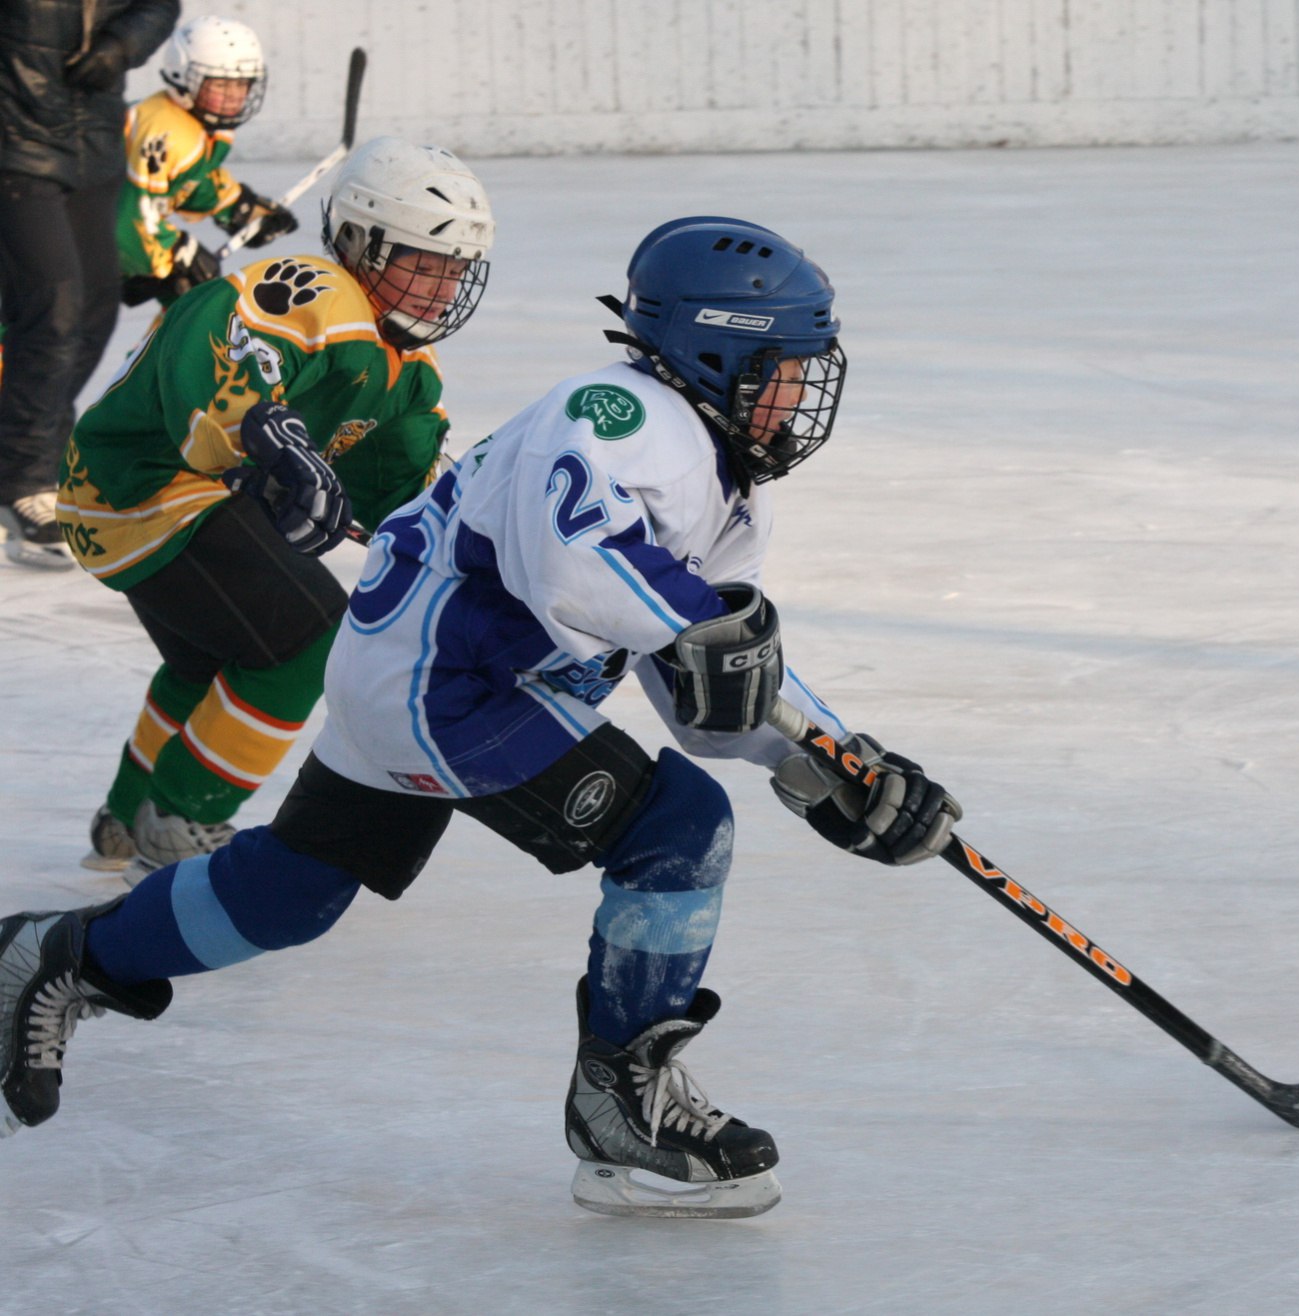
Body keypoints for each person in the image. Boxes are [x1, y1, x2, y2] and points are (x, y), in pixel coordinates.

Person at [0, 216, 962, 1221]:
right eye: (780, 369)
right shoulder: (624, 415)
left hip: (420, 676)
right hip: (449, 688)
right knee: (678, 828)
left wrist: (835, 764)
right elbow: (579, 567)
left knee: (294, 891)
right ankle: (618, 1109)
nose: (799, 396)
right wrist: (708, 637)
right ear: (714, 350)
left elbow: (709, 692)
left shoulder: (729, 490)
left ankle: (54, 953)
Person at [57, 135, 493, 881]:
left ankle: (128, 818)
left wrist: (491, 537)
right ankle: (183, 817)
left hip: (139, 497)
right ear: (359, 242)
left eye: (454, 269)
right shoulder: (316, 291)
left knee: (208, 662)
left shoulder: (411, 372)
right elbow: (214, 376)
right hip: (146, 487)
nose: (440, 287)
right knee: (311, 640)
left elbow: (409, 495)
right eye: (423, 261)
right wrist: (277, 444)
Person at [0, 0, 181, 569]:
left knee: (98, 306)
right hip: (14, 137)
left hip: (93, 139)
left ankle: (36, 447)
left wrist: (122, 45)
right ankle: (22, 478)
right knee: (54, 304)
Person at [117, 16, 296, 309]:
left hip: (89, 237)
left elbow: (190, 181)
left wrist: (237, 206)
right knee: (49, 335)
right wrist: (176, 252)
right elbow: (131, 214)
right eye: (221, 84)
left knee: (189, 304)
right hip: (62, 241)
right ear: (182, 76)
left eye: (242, 84)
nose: (234, 96)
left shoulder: (200, 127)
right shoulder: (165, 132)